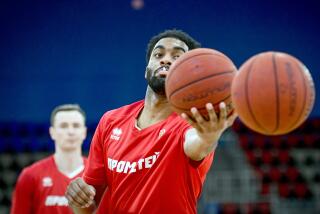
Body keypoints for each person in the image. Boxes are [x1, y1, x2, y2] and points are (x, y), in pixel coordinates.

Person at [66, 29, 237, 214]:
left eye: (177, 56)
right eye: (158, 54)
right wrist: (79, 199)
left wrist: (209, 136)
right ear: (146, 69)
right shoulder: (111, 121)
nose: (166, 59)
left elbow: (197, 144)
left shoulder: (190, 124)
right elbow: (88, 207)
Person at [11, 104, 88, 214]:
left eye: (76, 125)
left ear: (84, 132)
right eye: (64, 126)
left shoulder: (99, 176)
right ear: (52, 132)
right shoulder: (30, 176)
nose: (70, 132)